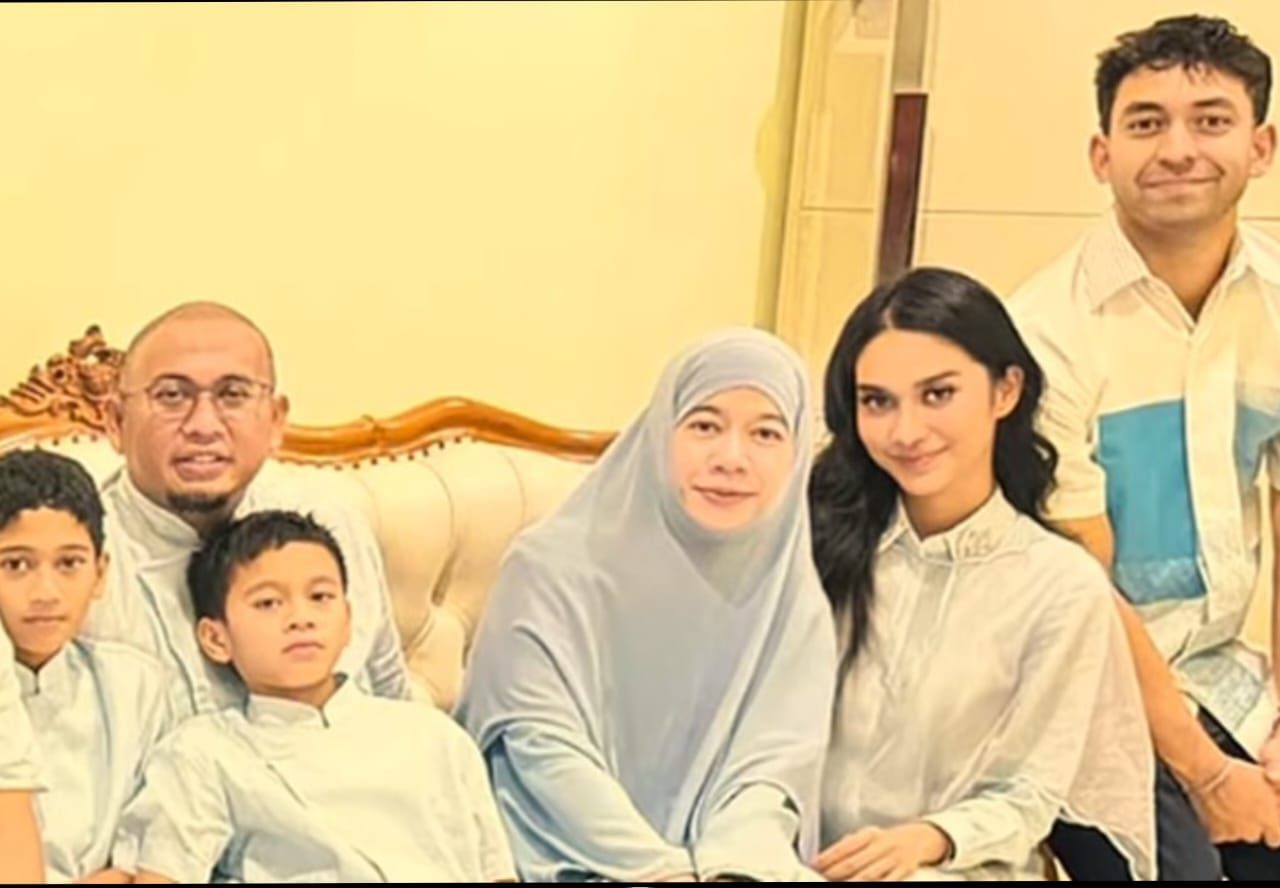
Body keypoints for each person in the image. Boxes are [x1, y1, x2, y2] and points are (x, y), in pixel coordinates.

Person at [1009, 14, 1280, 879]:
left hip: (1218, 672)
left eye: (1211, 120)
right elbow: (1083, 593)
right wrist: (1210, 777)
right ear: (1103, 154)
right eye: (1146, 122)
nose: (1178, 149)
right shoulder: (1043, 333)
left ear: (1262, 146)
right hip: (1081, 687)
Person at [811, 267, 1155, 881]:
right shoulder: (815, 548)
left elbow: (1032, 791)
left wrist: (931, 839)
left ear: (1006, 390)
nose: (906, 431)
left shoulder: (1060, 585)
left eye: (937, 394)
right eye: (877, 401)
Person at [457, 328, 837, 882]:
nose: (731, 458)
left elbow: (773, 771)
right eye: (705, 426)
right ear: (661, 432)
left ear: (797, 453)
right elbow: (540, 746)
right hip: (560, 852)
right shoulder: (549, 569)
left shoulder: (794, 598)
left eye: (766, 433)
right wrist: (658, 869)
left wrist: (731, 866)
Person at [114, 510, 514, 883]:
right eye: (268, 603)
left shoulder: (435, 736)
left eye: (320, 597)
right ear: (216, 639)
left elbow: (497, 872)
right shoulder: (204, 752)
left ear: (348, 620)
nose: (300, 619)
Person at [85, 301, 414, 716]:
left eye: (233, 395)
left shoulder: (328, 517)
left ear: (275, 420)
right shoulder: (73, 556)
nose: (203, 426)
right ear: (116, 421)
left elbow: (390, 698)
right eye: (171, 396)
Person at [0, 450, 171, 883]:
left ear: (100, 573)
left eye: (69, 564)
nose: (46, 592)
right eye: (16, 565)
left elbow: (160, 829)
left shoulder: (135, 685)